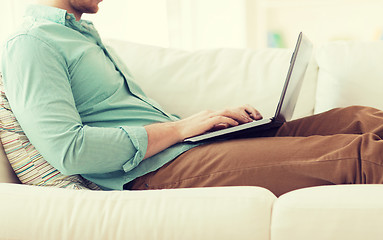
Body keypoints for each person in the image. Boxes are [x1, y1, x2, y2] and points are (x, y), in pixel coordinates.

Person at [2, 0, 383, 197]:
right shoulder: (32, 43)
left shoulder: (82, 34)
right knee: (359, 156)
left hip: (184, 149)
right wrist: (183, 128)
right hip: (151, 172)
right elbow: (70, 150)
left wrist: (211, 120)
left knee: (357, 118)